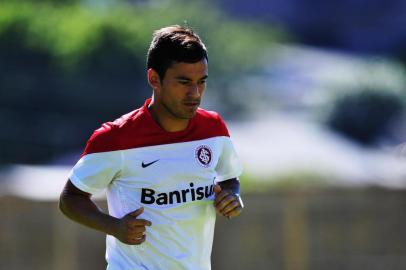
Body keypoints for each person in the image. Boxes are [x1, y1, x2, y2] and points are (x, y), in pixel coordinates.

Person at [59, 25, 244, 270]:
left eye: (201, 82)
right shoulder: (116, 138)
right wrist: (113, 226)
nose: (195, 93)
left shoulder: (214, 129)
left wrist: (233, 197)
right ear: (154, 79)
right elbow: (70, 199)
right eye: (184, 82)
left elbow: (230, 179)